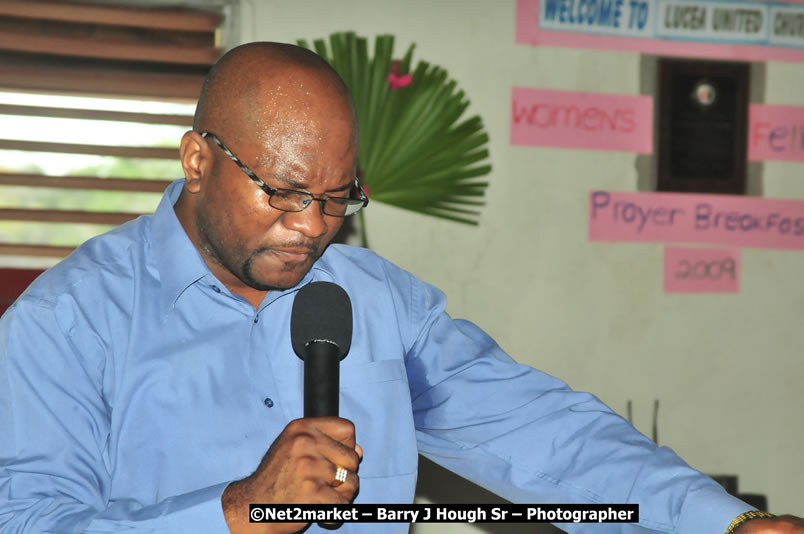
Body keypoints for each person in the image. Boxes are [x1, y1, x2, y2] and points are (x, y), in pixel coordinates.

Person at [0, 42, 800, 534]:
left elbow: (541, 432)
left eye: (338, 197)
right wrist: (236, 513)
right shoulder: (67, 323)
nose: (312, 226)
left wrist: (720, 521)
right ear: (198, 160)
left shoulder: (377, 302)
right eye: (281, 191)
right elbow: (28, 522)